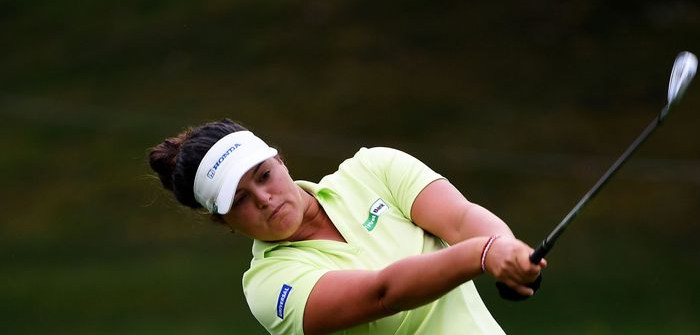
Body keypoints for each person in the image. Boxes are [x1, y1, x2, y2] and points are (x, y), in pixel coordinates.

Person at [148, 118, 546, 334]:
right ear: (224, 222)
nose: (264, 200)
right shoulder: (270, 286)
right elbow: (382, 293)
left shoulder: (373, 169)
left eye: (264, 175)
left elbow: (461, 220)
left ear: (280, 161)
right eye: (240, 200)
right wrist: (483, 253)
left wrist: (508, 251)